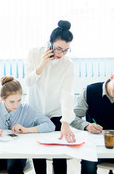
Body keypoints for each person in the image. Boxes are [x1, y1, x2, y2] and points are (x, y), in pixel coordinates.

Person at [0, 76, 55, 174]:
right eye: (12, 101)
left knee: (14, 168)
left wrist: (26, 130)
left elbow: (50, 125)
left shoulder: (26, 109)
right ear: (3, 99)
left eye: (19, 100)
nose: (16, 105)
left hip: (16, 153)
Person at [25, 20, 76, 174]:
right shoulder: (34, 53)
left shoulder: (68, 64)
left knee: (59, 155)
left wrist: (66, 121)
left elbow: (68, 93)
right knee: (39, 153)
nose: (61, 54)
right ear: (49, 43)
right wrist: (43, 63)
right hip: (35, 111)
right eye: (58, 49)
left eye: (66, 50)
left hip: (56, 112)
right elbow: (29, 81)